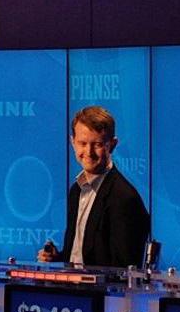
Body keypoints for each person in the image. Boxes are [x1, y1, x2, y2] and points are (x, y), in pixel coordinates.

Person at [37, 106, 150, 267]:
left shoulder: (124, 198)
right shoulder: (76, 190)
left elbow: (125, 268)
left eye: (97, 144)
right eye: (82, 143)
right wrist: (57, 258)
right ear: (72, 142)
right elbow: (82, 256)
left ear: (112, 145)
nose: (88, 152)